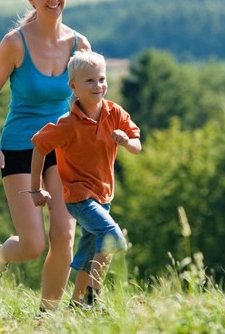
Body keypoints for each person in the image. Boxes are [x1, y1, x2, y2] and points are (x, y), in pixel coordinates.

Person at [0, 0, 92, 311]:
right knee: (33, 245)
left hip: (63, 148)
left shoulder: (79, 44)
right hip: (21, 148)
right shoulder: (15, 43)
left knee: (64, 235)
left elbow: (89, 99)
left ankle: (47, 316)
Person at [29, 50, 142, 309]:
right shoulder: (68, 124)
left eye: (101, 79)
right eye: (89, 81)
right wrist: (35, 189)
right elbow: (39, 146)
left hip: (104, 195)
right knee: (113, 237)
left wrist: (127, 142)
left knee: (90, 253)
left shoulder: (114, 113)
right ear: (73, 86)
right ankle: (92, 296)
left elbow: (137, 145)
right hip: (78, 197)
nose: (98, 85)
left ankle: (78, 305)